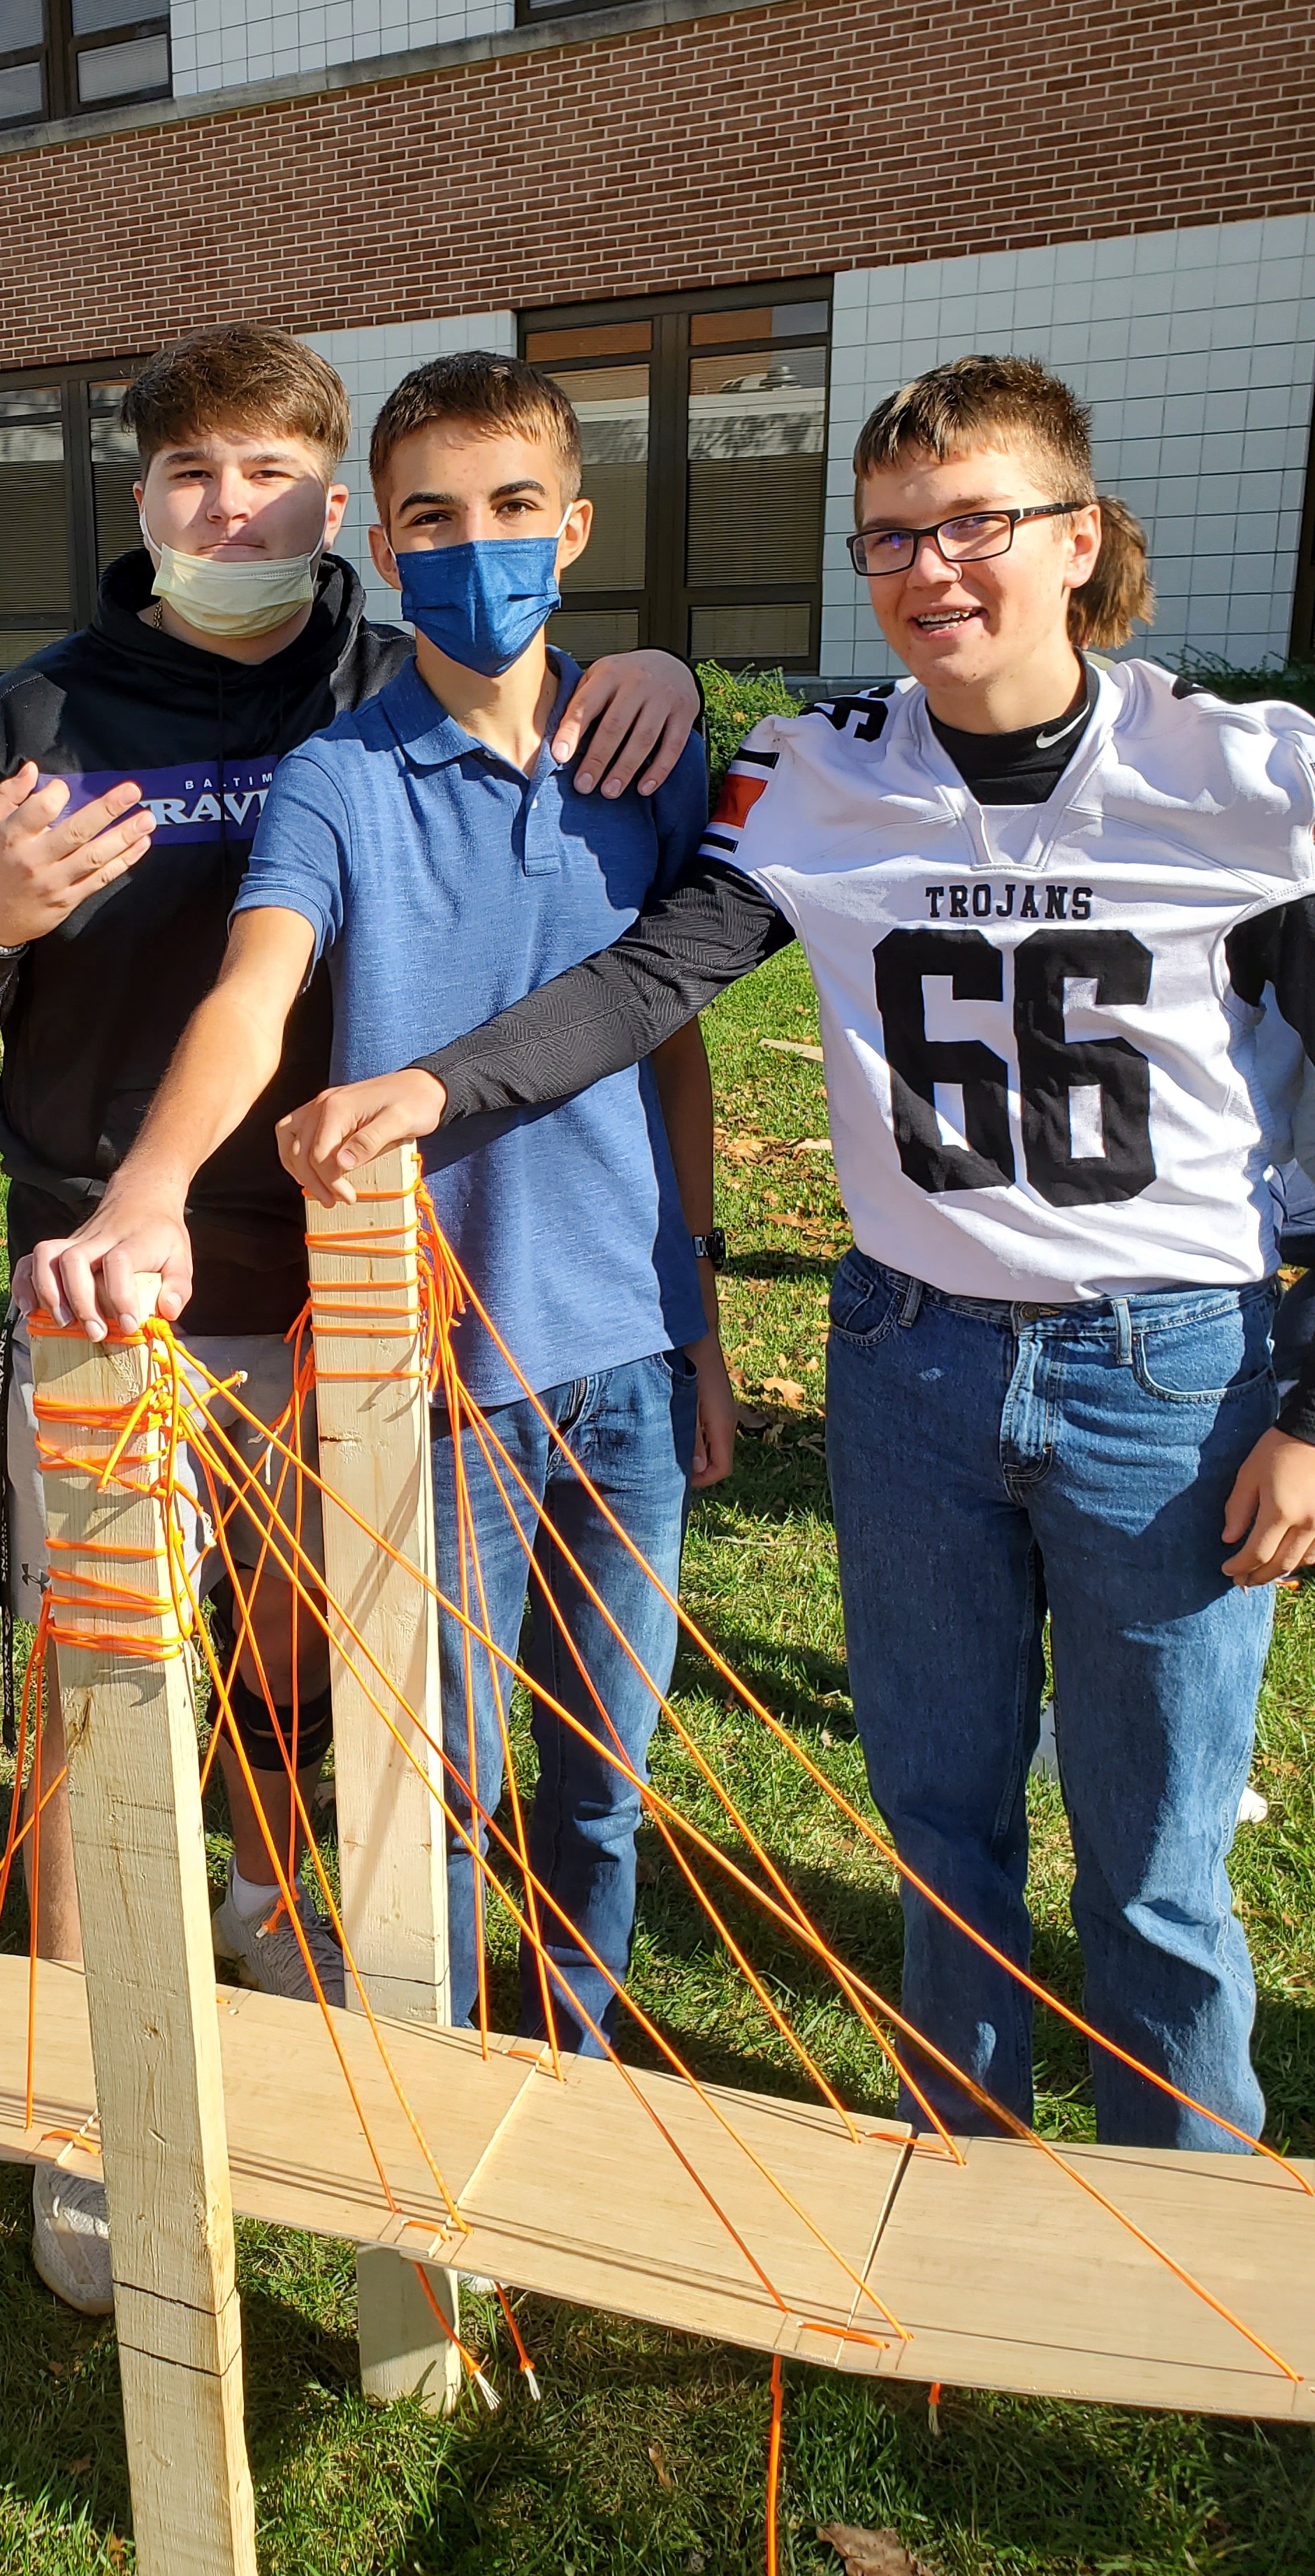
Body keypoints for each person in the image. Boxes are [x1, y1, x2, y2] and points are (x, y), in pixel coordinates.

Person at [282, 355, 1315, 2152]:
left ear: (1079, 541)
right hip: (911, 1355)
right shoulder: (823, 772)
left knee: (1154, 1867)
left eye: (979, 524)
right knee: (937, 1817)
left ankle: (1184, 2235)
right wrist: (433, 1091)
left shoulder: (1243, 777)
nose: (936, 570)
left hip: (1171, 1366)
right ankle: (960, 2166)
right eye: (894, 538)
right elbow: (649, 974)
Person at [0, 324, 702, 2306]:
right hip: (124, 1276)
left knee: (308, 1683)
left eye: (266, 476)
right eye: (187, 479)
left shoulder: (379, 666)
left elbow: (539, 693)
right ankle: (89, 2105)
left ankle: (264, 1917)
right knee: (103, 1707)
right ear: (142, 506)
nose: (226, 510)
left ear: (339, 515)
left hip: (366, 1286)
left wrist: (650, 666)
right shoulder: (41, 713)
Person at [29, 349, 736, 2062]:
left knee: (604, 1782)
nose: (474, 547)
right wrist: (149, 1188)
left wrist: (704, 1322)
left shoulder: (648, 752)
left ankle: (568, 2061)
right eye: (435, 519)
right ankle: (424, 2083)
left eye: (511, 511)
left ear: (573, 530)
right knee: (440, 1776)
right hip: (427, 1376)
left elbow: (681, 1054)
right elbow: (255, 991)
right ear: (389, 545)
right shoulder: (340, 777)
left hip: (629, 1357)